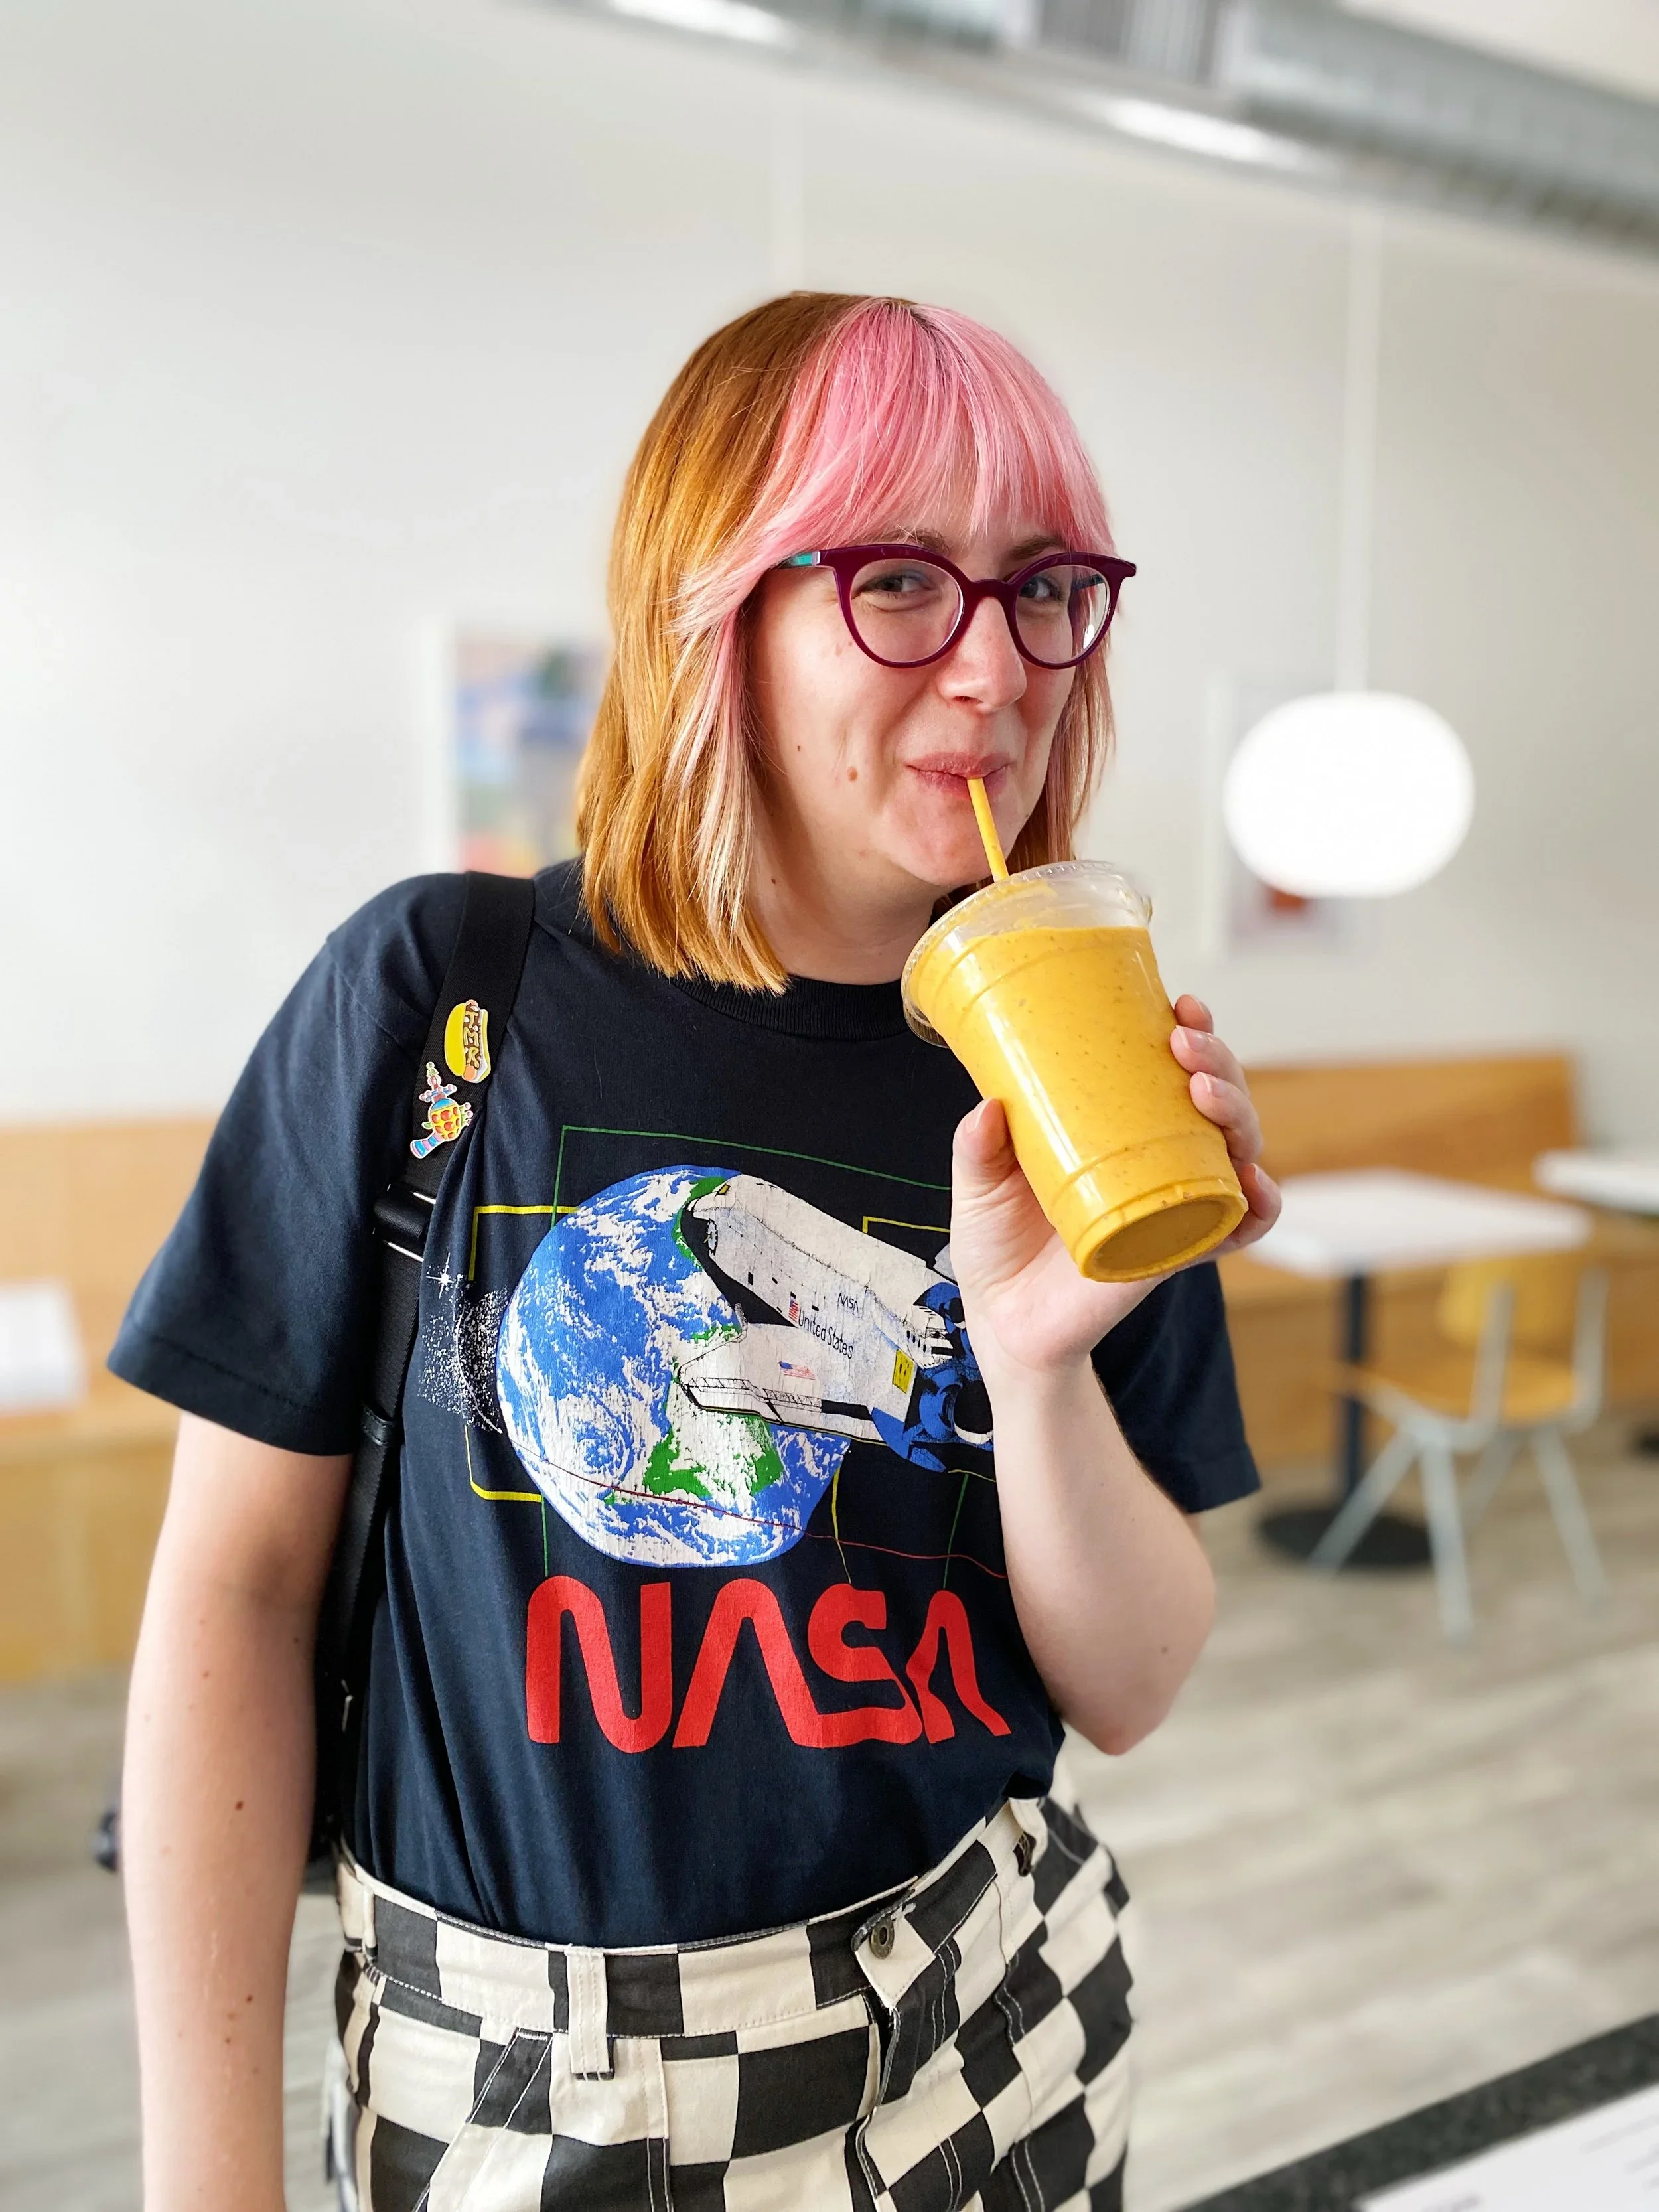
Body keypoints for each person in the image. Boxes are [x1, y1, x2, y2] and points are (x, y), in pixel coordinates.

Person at [115, 291, 1280, 2212]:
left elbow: (1134, 1681)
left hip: (983, 2025)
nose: (998, 671)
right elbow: (232, 1594)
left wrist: (1037, 1357)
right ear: (714, 611)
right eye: (898, 582)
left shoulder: (1078, 1063)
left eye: (1049, 588)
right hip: (522, 2075)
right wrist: (207, 2180)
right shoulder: (444, 997)